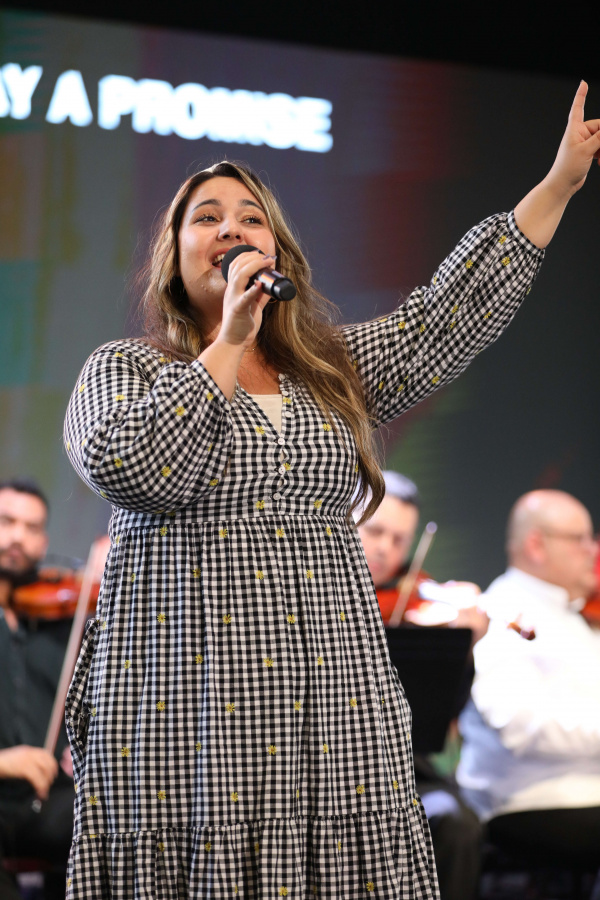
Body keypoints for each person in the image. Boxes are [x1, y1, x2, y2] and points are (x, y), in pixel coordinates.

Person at [63, 84, 599, 899]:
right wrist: (229, 341)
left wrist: (557, 184)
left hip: (330, 687)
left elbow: (442, 319)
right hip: (190, 698)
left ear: (276, 253)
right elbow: (132, 464)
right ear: (173, 255)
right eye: (207, 217)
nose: (232, 229)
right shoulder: (126, 369)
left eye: (251, 218)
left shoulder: (326, 373)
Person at [356, 471, 485, 900]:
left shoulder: (420, 602)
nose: (385, 549)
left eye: (400, 540)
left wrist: (464, 649)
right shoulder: (308, 590)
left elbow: (441, 714)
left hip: (404, 770)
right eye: (375, 531)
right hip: (319, 770)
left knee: (459, 823)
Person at [457, 489, 600, 869]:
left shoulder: (575, 615)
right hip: (536, 800)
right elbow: (520, 726)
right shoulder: (503, 613)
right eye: (580, 538)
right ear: (537, 545)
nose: (592, 550)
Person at [0, 478, 75, 900]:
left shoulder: (62, 620)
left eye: (31, 528)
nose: (17, 537)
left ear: (44, 542)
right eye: (6, 522)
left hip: (49, 800)